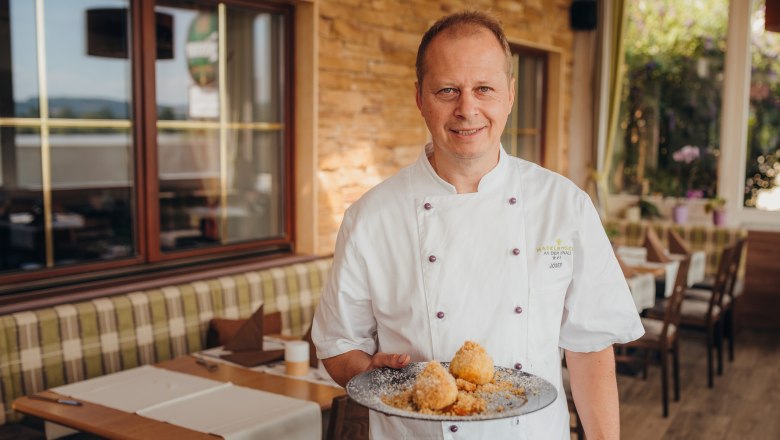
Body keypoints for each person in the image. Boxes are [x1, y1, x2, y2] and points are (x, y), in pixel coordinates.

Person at [312, 10, 643, 439]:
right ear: (419, 98)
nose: (467, 109)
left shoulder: (564, 206)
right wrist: (367, 371)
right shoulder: (371, 217)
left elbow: (591, 349)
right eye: (447, 90)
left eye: (483, 88)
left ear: (509, 94)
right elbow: (338, 347)